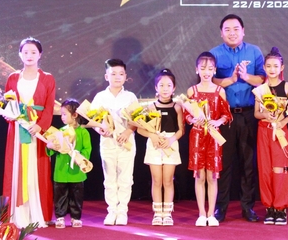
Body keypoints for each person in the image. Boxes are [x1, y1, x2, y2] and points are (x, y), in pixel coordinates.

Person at [210, 14, 265, 222]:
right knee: (223, 163)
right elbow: (209, 81)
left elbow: (263, 79)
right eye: (227, 29)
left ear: (243, 31)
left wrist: (245, 77)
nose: (232, 33)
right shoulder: (214, 54)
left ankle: (248, 207)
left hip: (249, 114)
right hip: (224, 116)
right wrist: (231, 79)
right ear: (221, 33)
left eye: (236, 29)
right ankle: (220, 208)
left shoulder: (254, 51)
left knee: (248, 164)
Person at [3, 37, 55, 228]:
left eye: (33, 52)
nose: (29, 55)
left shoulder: (48, 78)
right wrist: (10, 115)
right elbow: (8, 105)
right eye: (25, 52)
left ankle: (36, 214)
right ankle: (17, 215)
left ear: (40, 54)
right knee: (17, 168)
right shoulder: (13, 78)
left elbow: (49, 107)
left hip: (36, 131)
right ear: (20, 55)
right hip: (18, 130)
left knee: (36, 169)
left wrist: (40, 126)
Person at [186, 52, 232, 227]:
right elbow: (185, 115)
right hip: (197, 136)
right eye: (203, 68)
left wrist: (218, 121)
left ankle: (211, 214)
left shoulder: (220, 91)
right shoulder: (192, 91)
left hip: (213, 136)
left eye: (210, 68)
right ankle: (201, 214)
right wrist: (192, 120)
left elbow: (226, 115)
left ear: (214, 71)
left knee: (212, 176)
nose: (206, 72)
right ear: (197, 70)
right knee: (199, 176)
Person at [91, 58, 137, 226]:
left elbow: (137, 120)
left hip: (126, 144)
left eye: (121, 74)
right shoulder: (100, 97)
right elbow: (93, 120)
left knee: (125, 178)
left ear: (125, 76)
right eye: (113, 74)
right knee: (110, 178)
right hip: (108, 143)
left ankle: (122, 211)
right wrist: (100, 130)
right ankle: (111, 211)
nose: (117, 77)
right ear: (106, 76)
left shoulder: (130, 97)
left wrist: (128, 131)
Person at [254, 47, 288, 226]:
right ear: (264, 67)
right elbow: (256, 113)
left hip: (280, 131)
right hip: (264, 130)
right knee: (265, 170)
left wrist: (283, 121)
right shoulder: (260, 89)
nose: (272, 69)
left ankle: (281, 207)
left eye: (276, 66)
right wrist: (265, 115)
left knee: (280, 169)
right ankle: (269, 207)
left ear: (281, 67)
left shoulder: (287, 87)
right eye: (269, 66)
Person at [138, 69, 184, 226]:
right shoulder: (150, 107)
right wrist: (152, 136)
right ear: (156, 87)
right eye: (161, 85)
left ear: (174, 88)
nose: (165, 89)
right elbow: (140, 129)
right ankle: (158, 213)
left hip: (170, 144)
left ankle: (168, 214)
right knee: (156, 180)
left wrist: (171, 139)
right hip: (155, 144)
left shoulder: (177, 107)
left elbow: (181, 130)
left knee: (168, 180)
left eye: (169, 85)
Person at [46, 99, 91, 229]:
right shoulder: (59, 131)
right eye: (62, 114)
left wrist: (79, 157)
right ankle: (60, 217)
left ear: (75, 115)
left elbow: (87, 149)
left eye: (65, 114)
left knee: (76, 196)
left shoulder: (83, 132)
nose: (62, 117)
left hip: (76, 171)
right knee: (60, 195)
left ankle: (75, 218)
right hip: (61, 171)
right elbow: (51, 149)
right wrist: (50, 146)